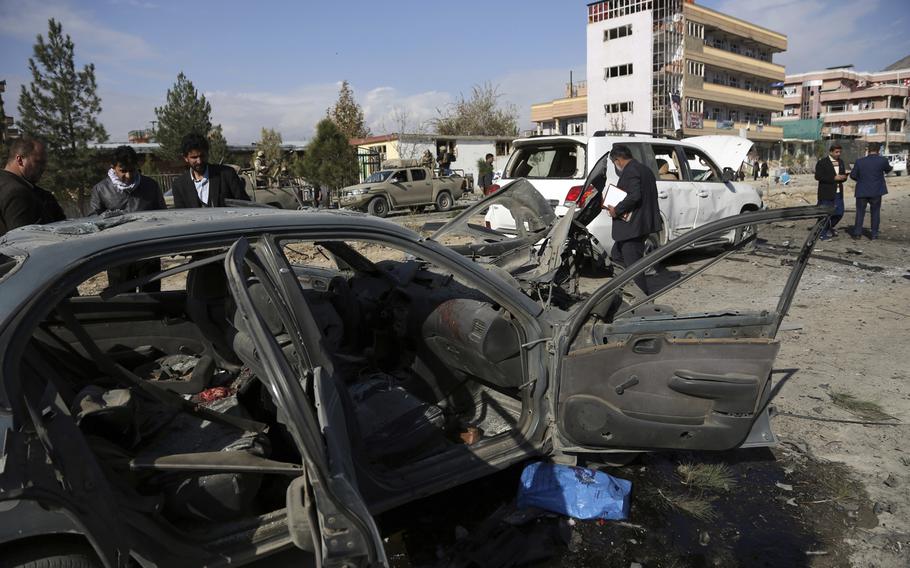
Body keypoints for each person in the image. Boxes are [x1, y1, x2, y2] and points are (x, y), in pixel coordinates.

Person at [90, 145, 166, 292]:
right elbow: (94, 222)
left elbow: (163, 216)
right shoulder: (100, 190)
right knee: (123, 301)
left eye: (132, 170)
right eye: (123, 171)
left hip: (148, 254)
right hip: (118, 257)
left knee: (152, 300)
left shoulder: (150, 186)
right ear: (113, 168)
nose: (128, 175)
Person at [603, 144, 662, 295]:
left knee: (633, 264)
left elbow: (635, 196)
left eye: (614, 163)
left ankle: (642, 296)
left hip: (633, 226)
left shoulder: (631, 171)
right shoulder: (644, 169)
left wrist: (617, 209)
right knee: (617, 255)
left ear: (618, 160)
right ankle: (625, 287)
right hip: (639, 224)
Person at [0, 137, 65, 236]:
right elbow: (24, 242)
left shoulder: (7, 184)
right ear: (20, 160)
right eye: (38, 162)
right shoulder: (17, 192)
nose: (43, 168)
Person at [171, 133, 250, 208]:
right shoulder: (179, 185)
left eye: (202, 156)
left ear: (207, 153)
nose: (199, 161)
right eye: (194, 157)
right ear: (185, 158)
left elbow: (245, 206)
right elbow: (182, 215)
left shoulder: (227, 174)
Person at [848, 142, 892, 240]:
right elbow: (888, 170)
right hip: (876, 191)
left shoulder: (859, 161)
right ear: (878, 150)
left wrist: (860, 180)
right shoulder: (883, 160)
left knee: (860, 212)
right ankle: (874, 234)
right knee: (875, 212)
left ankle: (857, 233)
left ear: (868, 150)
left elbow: (852, 175)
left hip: (862, 190)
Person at [813, 143, 847, 240]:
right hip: (826, 193)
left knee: (839, 212)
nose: (838, 154)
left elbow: (842, 175)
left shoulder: (841, 162)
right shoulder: (822, 162)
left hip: (838, 192)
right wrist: (833, 178)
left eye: (840, 152)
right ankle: (821, 233)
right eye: (836, 152)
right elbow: (818, 176)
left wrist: (843, 177)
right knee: (825, 214)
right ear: (831, 152)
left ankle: (828, 227)